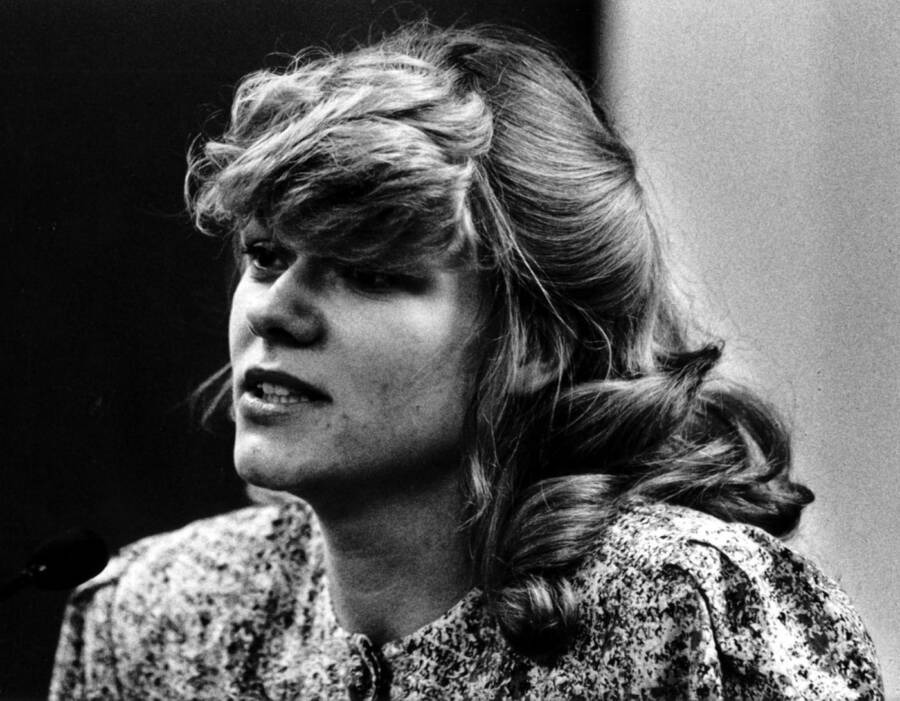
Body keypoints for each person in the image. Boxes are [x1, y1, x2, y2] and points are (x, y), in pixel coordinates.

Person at [49, 23, 883, 700]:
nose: (273, 309)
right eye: (266, 256)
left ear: (536, 343)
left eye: (370, 272)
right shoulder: (150, 616)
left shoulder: (686, 609)